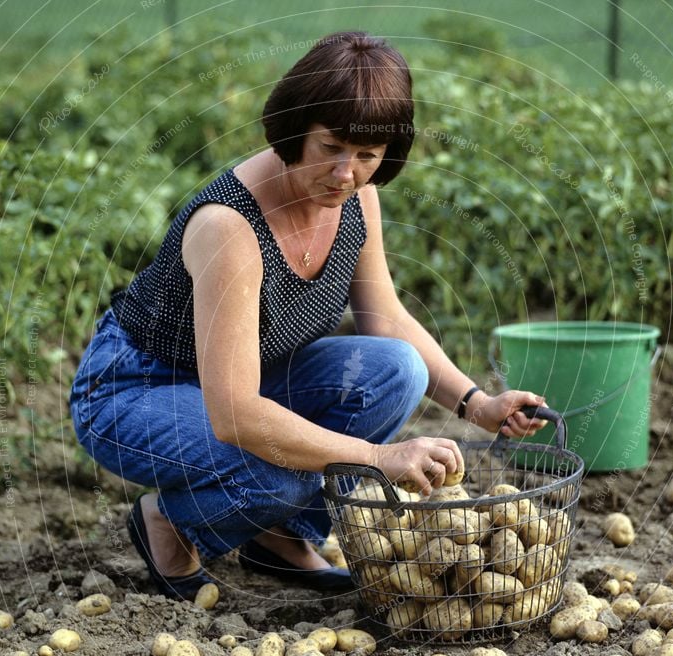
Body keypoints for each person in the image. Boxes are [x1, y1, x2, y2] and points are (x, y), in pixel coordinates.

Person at [68, 31, 547, 599]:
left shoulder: (354, 199)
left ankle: (279, 537)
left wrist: (478, 404)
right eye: (331, 148)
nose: (346, 173)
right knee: (277, 470)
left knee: (397, 370)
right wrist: (378, 456)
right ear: (296, 129)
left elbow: (387, 320)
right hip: (134, 389)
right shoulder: (231, 227)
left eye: (367, 156)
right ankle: (169, 525)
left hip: (244, 379)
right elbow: (238, 417)